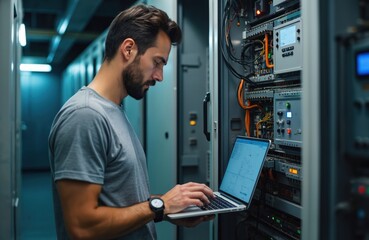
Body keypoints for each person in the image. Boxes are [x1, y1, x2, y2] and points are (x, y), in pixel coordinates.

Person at [48, 4, 214, 240]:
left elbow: (117, 202)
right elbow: (81, 227)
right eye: (157, 62)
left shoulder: (112, 110)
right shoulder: (85, 115)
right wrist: (160, 205)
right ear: (128, 49)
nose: (159, 76)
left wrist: (169, 210)